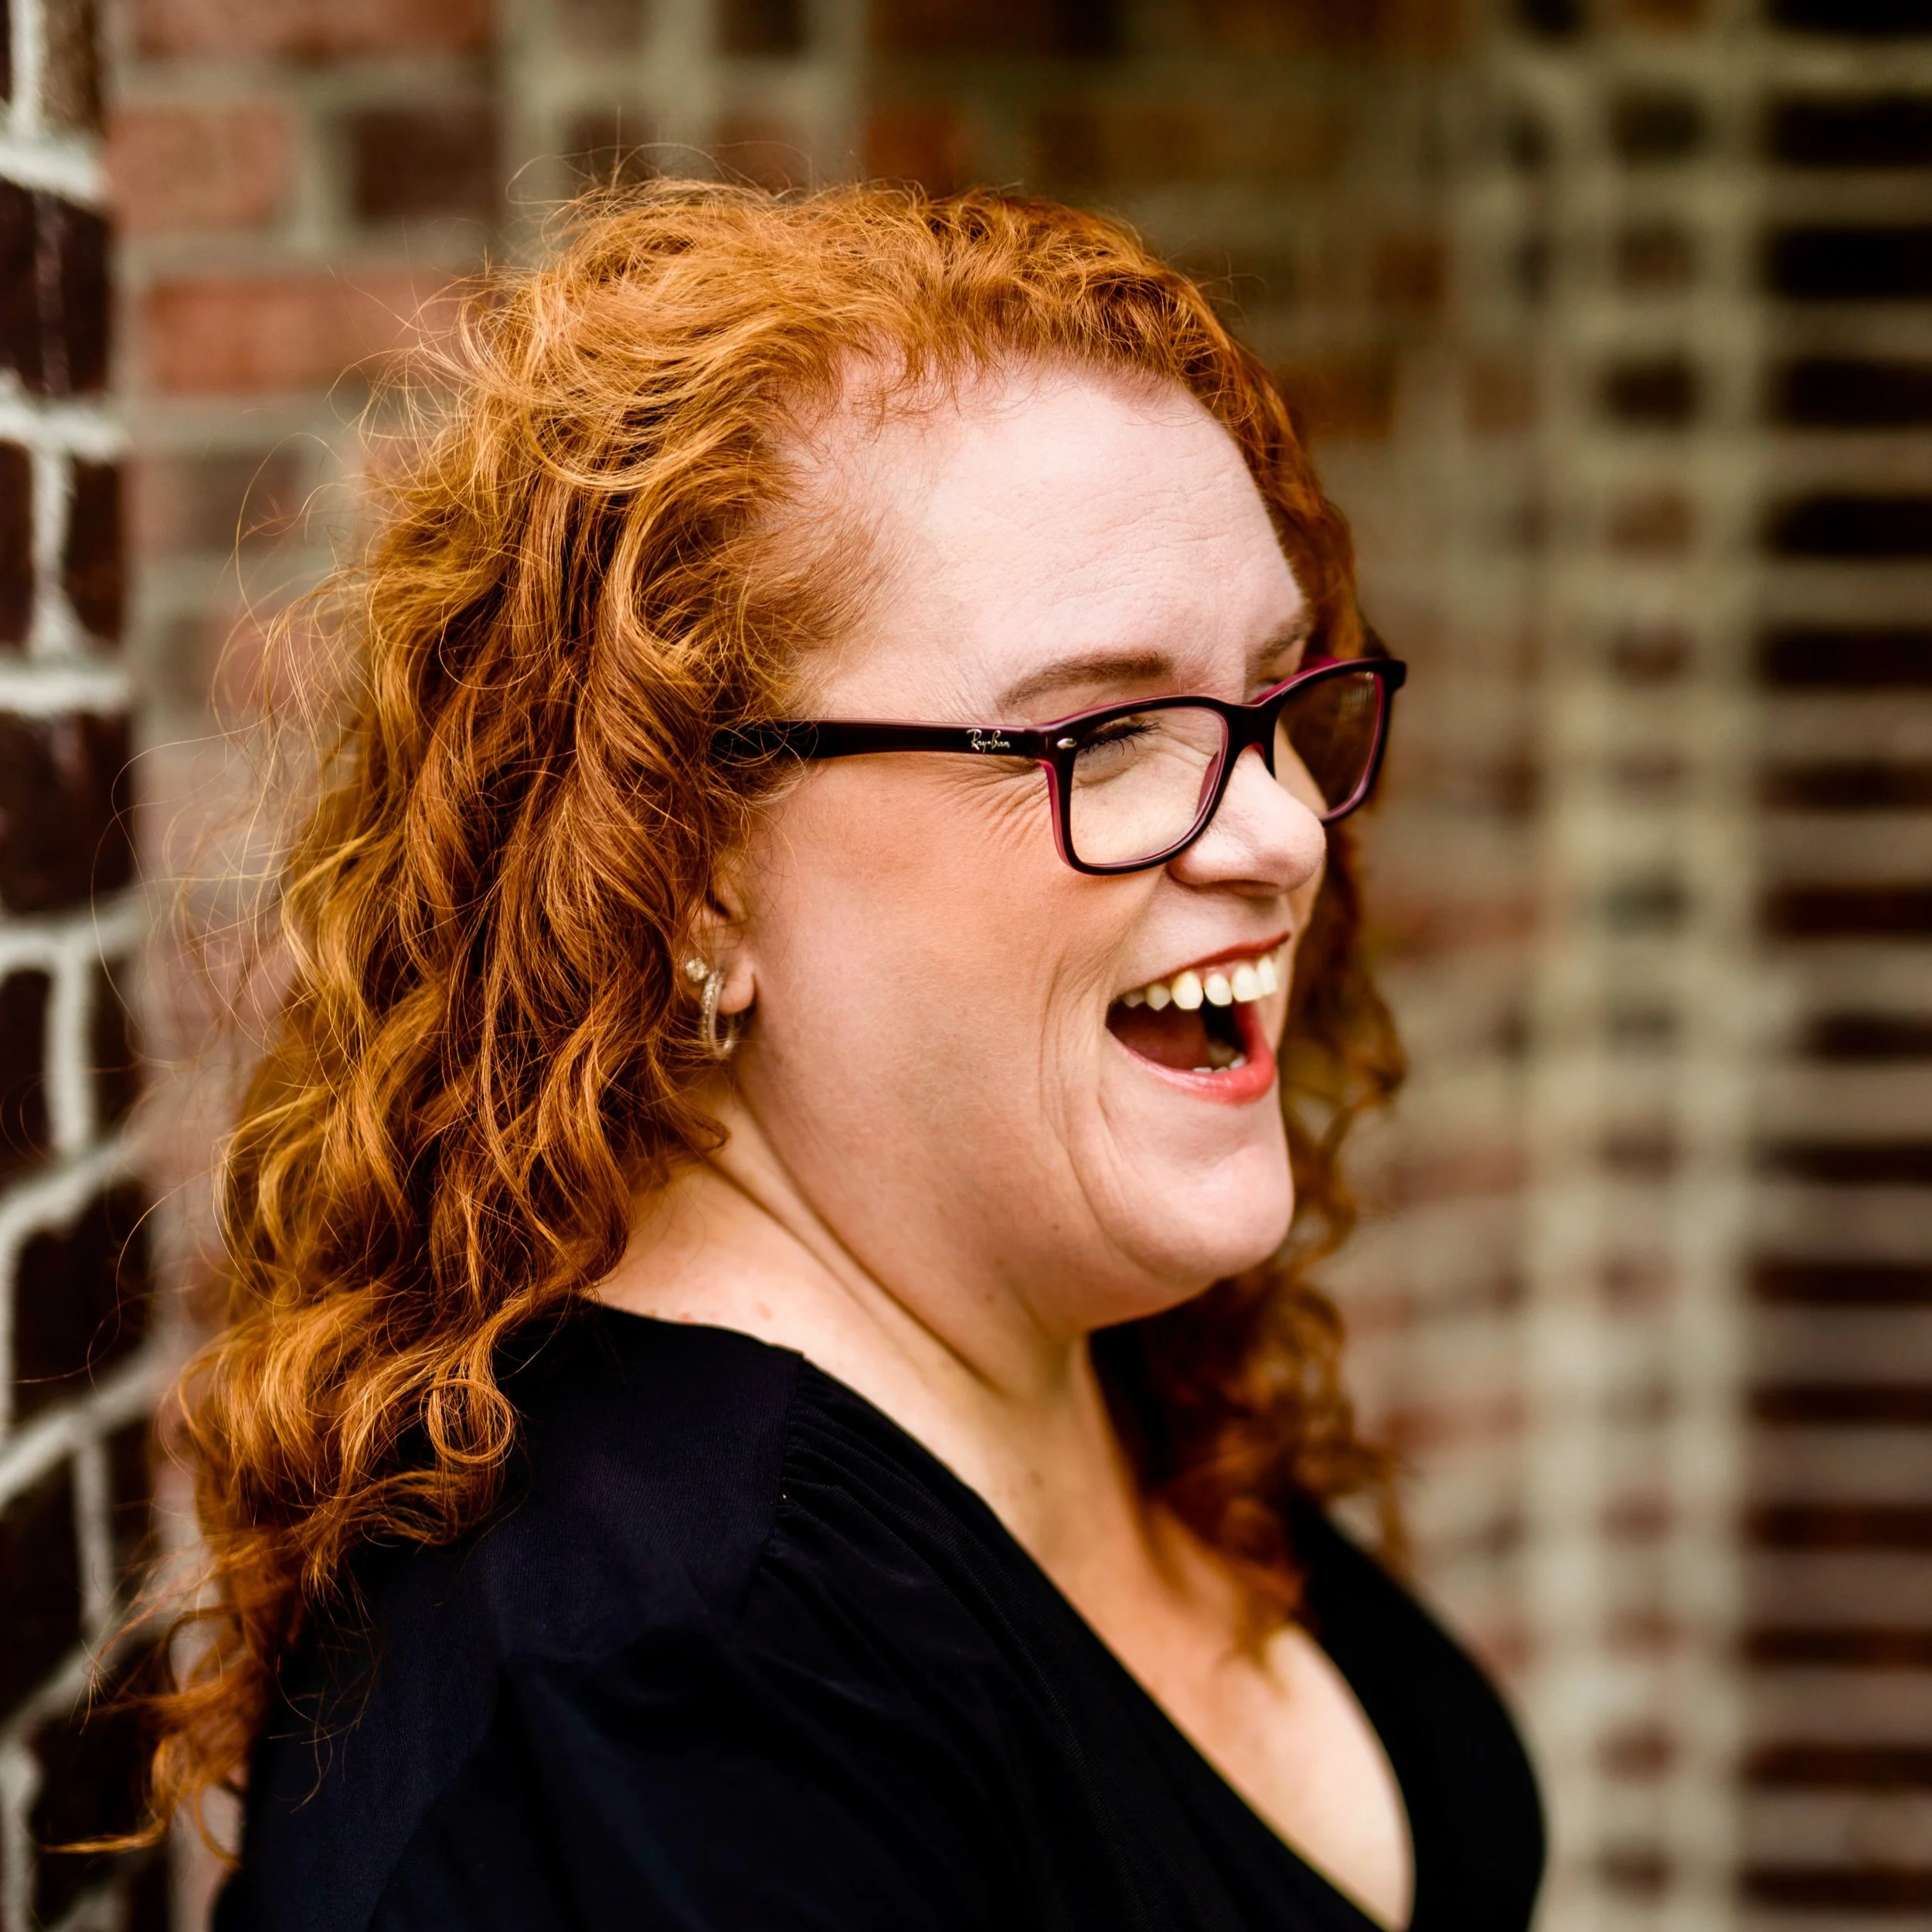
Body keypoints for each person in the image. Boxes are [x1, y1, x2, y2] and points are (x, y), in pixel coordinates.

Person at [159, 182, 1542, 1932]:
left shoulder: (1082, 1353)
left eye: (1273, 699)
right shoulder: (648, 1690)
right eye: (1105, 731)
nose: (1274, 829)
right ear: (691, 862)